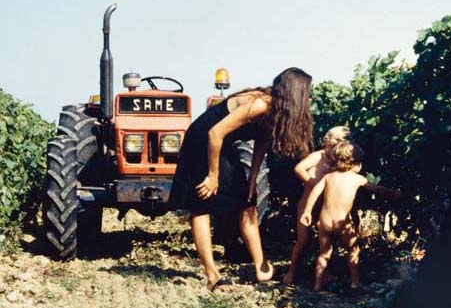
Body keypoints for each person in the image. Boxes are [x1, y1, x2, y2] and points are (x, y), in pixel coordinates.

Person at [170, 68, 313, 291]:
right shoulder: (260, 104)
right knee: (202, 203)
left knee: (248, 203)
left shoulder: (274, 111)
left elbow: (261, 142)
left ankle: (261, 267)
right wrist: (213, 176)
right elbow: (214, 134)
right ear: (296, 93)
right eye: (307, 92)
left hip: (223, 144)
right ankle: (212, 276)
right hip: (202, 141)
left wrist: (252, 181)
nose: (310, 98)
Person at [300, 140, 401, 292]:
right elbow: (377, 189)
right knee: (354, 250)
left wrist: (307, 211)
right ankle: (355, 282)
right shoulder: (357, 179)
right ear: (356, 164)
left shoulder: (328, 177)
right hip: (342, 223)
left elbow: (314, 193)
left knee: (324, 253)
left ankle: (317, 284)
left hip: (324, 221)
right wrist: (393, 193)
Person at [282, 126, 350, 285]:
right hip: (307, 205)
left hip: (325, 208)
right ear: (330, 142)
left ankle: (323, 273)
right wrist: (313, 184)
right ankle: (291, 272)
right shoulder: (318, 156)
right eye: (338, 142)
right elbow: (298, 168)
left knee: (326, 241)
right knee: (303, 238)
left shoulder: (338, 162)